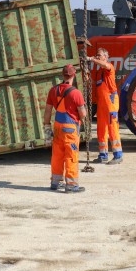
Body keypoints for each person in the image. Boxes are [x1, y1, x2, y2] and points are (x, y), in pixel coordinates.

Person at [43, 64, 88, 193]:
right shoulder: (76, 93)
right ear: (73, 75)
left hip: (57, 127)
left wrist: (47, 127)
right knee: (71, 155)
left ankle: (55, 182)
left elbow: (47, 111)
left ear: (63, 75)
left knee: (57, 155)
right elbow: (83, 114)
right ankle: (72, 185)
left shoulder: (53, 90)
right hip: (70, 129)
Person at [87, 48, 124, 164]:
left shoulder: (109, 67)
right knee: (101, 129)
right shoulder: (99, 73)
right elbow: (93, 83)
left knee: (112, 128)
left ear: (106, 57)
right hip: (102, 105)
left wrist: (91, 59)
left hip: (110, 103)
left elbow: (104, 65)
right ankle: (103, 155)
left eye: (99, 55)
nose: (97, 57)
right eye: (96, 55)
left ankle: (118, 155)